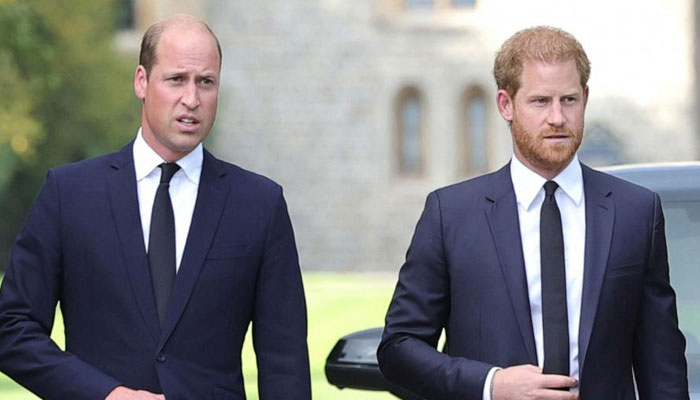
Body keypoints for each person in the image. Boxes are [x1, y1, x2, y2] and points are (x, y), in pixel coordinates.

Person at [0, 14, 311, 400]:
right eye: (177, 79)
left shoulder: (260, 205)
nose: (192, 99)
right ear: (142, 82)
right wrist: (106, 394)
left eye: (206, 82)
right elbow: (12, 329)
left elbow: (286, 364)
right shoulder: (69, 194)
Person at [377, 26, 688, 400]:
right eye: (541, 101)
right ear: (506, 104)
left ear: (585, 99)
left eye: (569, 100)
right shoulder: (451, 215)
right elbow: (399, 348)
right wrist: (492, 384)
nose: (557, 117)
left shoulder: (636, 212)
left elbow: (662, 364)